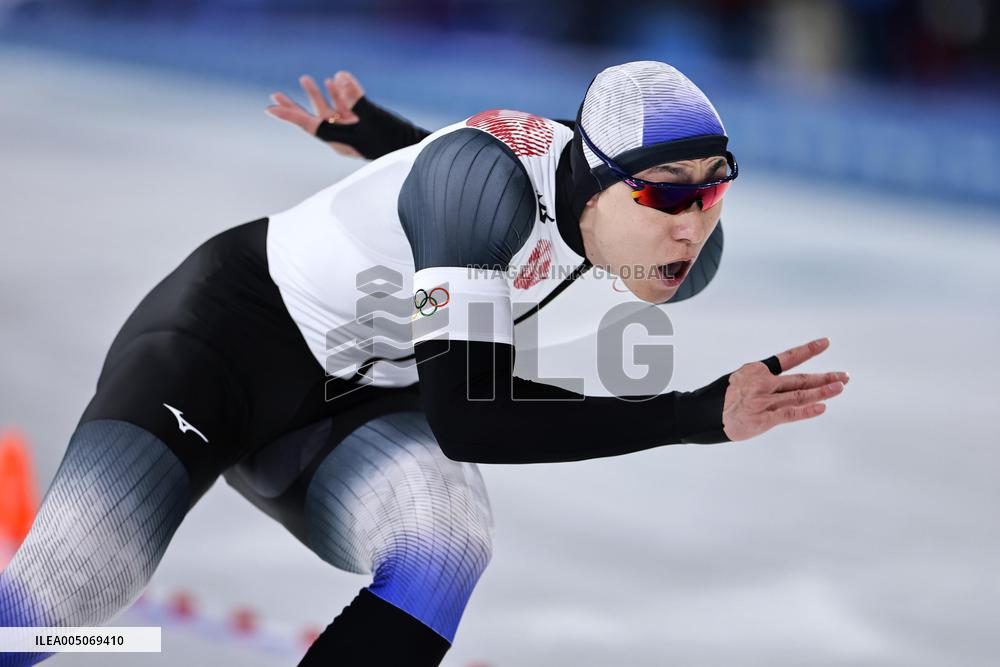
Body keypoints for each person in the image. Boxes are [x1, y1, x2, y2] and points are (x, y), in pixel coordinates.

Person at [0, 61, 848, 667]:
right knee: (64, 600)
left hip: (359, 395)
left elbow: (471, 204)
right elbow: (472, 414)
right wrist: (697, 414)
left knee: (445, 545)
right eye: (665, 190)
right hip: (221, 349)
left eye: (713, 185)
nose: (690, 224)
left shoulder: (673, 241)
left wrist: (381, 141)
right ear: (597, 183)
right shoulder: (483, 185)